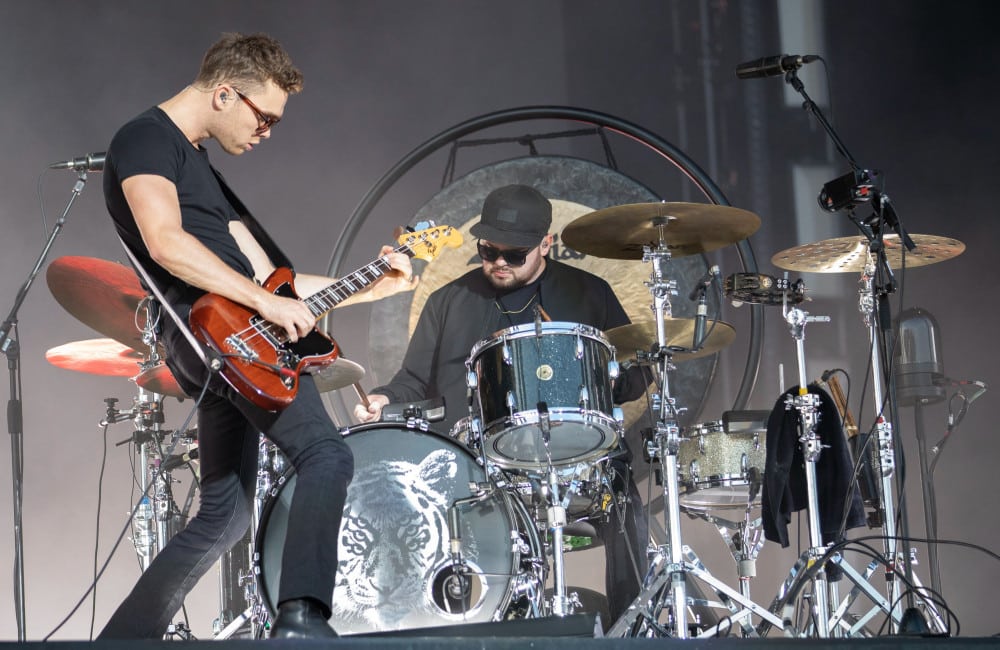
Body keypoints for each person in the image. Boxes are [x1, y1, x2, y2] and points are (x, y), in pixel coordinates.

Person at [99, 33, 416, 639]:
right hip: (218, 336)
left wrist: (375, 285)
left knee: (225, 515)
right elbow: (166, 243)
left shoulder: (200, 165)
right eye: (263, 116)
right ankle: (300, 620)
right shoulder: (144, 138)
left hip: (233, 338)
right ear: (224, 93)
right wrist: (262, 300)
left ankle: (125, 638)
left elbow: (275, 282)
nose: (268, 131)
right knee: (326, 455)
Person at [354, 184, 648, 624]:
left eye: (514, 255)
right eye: (488, 251)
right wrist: (383, 398)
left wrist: (621, 375)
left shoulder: (589, 293)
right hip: (478, 464)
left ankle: (634, 627)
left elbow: (632, 376)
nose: (498, 263)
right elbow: (413, 381)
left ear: (546, 244)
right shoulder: (449, 301)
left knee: (623, 496)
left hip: (574, 455)